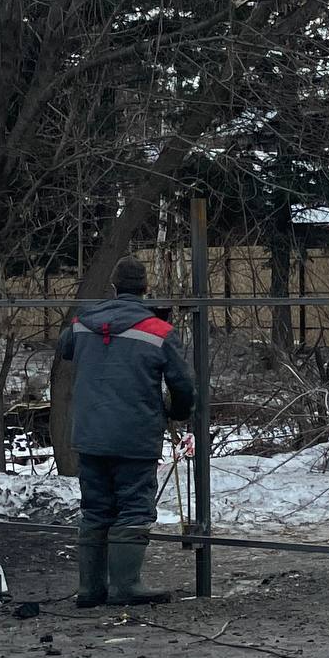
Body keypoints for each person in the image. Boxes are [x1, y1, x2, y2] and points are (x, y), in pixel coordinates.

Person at [59, 257, 194, 609]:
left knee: (95, 510)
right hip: (136, 436)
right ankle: (125, 586)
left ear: (114, 286)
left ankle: (90, 589)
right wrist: (178, 412)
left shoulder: (83, 322)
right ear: (146, 288)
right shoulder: (159, 331)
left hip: (90, 435)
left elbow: (65, 347)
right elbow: (183, 385)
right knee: (134, 508)